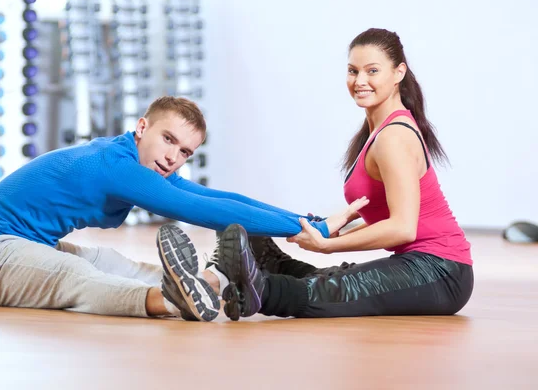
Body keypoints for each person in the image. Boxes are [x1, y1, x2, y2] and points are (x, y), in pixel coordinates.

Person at [0, 96, 334, 323]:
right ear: (142, 127)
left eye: (185, 152)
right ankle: (171, 302)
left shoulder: (140, 160)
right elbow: (201, 211)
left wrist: (310, 221)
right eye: (168, 140)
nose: (173, 157)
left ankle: (217, 283)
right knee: (77, 275)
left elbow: (221, 199)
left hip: (27, 248)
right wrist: (310, 230)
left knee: (117, 265)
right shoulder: (119, 166)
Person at [199, 28, 474, 321]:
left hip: (442, 271)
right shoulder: (379, 132)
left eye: (372, 71)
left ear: (398, 73)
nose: (360, 81)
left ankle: (248, 287)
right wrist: (330, 233)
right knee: (340, 281)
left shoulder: (394, 137)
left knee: (338, 288)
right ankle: (270, 263)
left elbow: (403, 228)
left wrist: (329, 245)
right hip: (423, 264)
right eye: (353, 71)